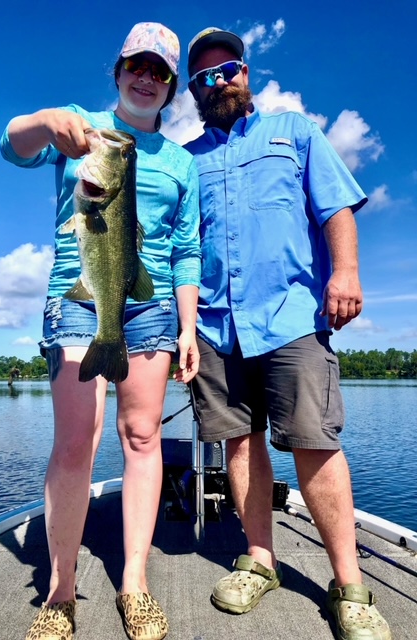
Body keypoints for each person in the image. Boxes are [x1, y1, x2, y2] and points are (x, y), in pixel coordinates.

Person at [184, 27, 391, 640]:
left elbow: (334, 207)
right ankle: (261, 559)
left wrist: (346, 272)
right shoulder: (187, 161)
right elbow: (178, 251)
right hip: (217, 329)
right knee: (241, 446)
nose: (217, 82)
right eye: (203, 78)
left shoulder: (294, 133)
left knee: (314, 443)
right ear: (193, 91)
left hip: (292, 318)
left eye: (228, 70)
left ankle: (349, 583)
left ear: (247, 73)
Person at [0, 22, 201, 640]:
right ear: (117, 72)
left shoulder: (180, 163)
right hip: (78, 296)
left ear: (170, 89)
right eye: (137, 65)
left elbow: (187, 250)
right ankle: (60, 594)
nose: (147, 77)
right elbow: (12, 145)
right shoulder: (80, 128)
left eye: (160, 72)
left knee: (142, 435)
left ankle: (134, 584)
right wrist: (47, 118)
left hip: (151, 302)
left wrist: (188, 329)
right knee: (75, 443)